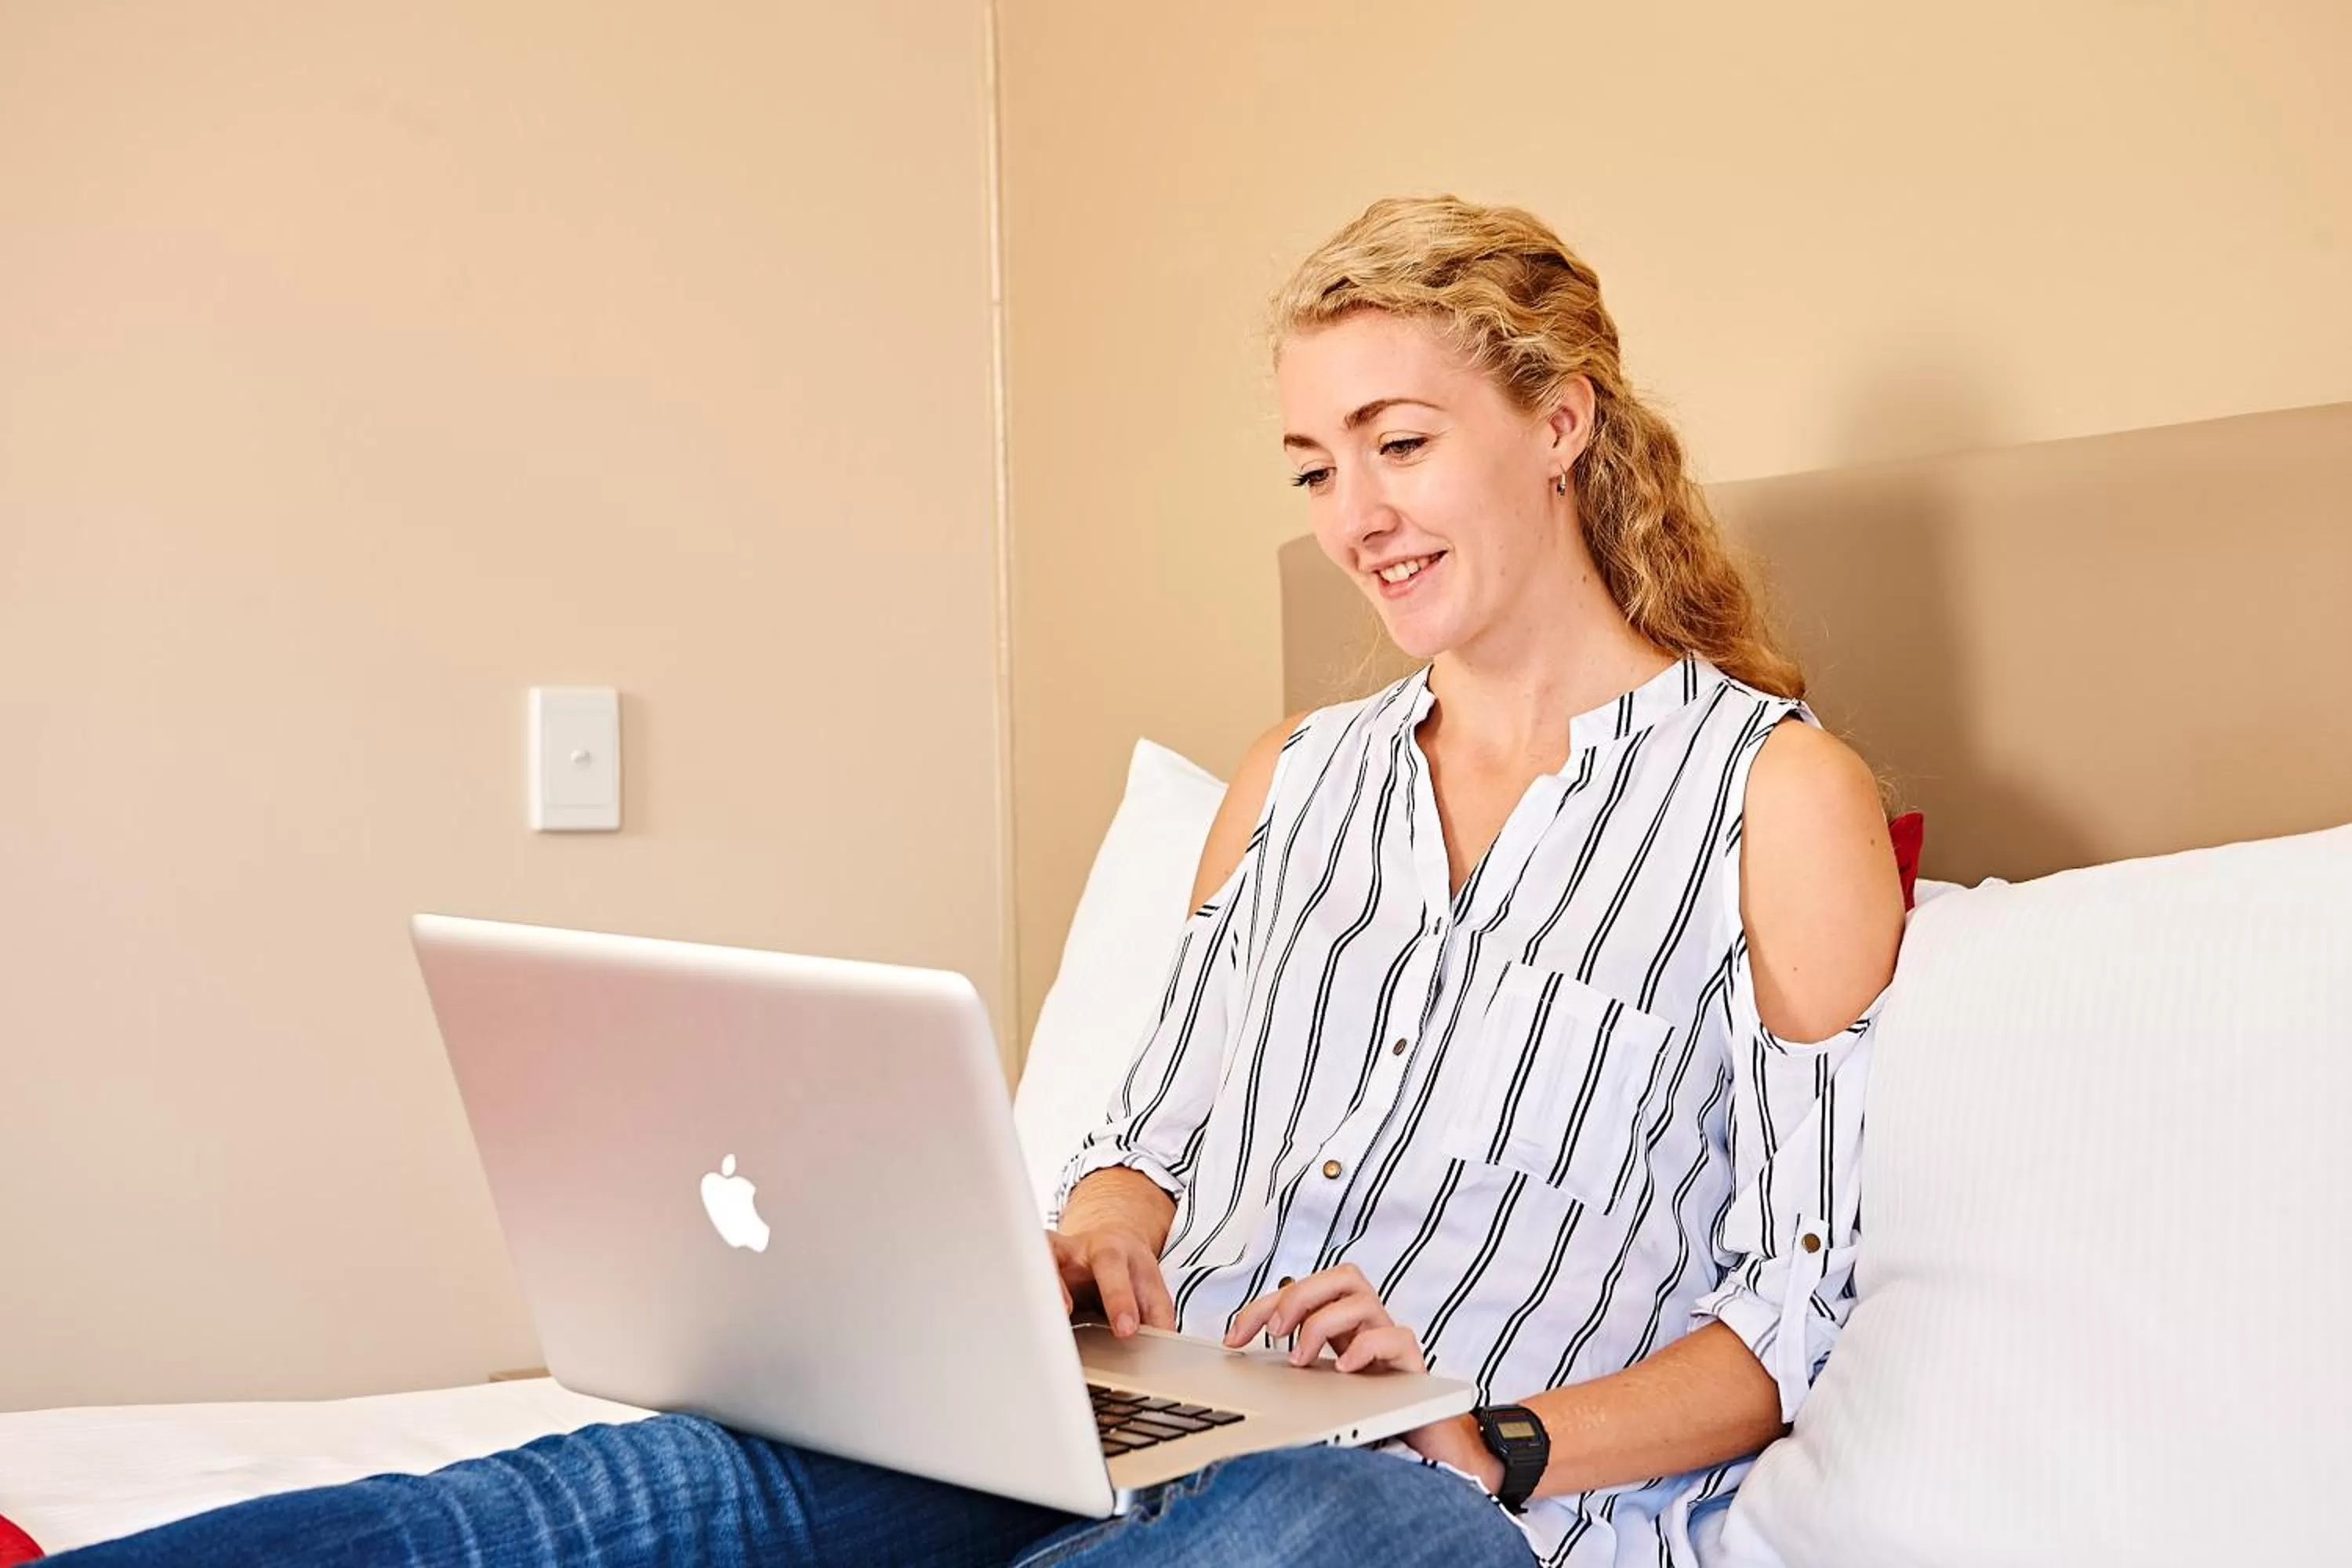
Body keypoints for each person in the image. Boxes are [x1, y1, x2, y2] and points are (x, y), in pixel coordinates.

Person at [53, 194, 1905, 1567]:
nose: (1357, 519)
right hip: (1130, 1409)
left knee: (1318, 1534)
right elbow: (1148, 1137)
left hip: (1428, 1492)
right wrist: (1102, 1231)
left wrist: (1490, 1438)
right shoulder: (1294, 782)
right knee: (610, 1495)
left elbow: (1787, 1310)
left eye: (1402, 446)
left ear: (1562, 423)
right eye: (1315, 467)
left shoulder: (1775, 801)